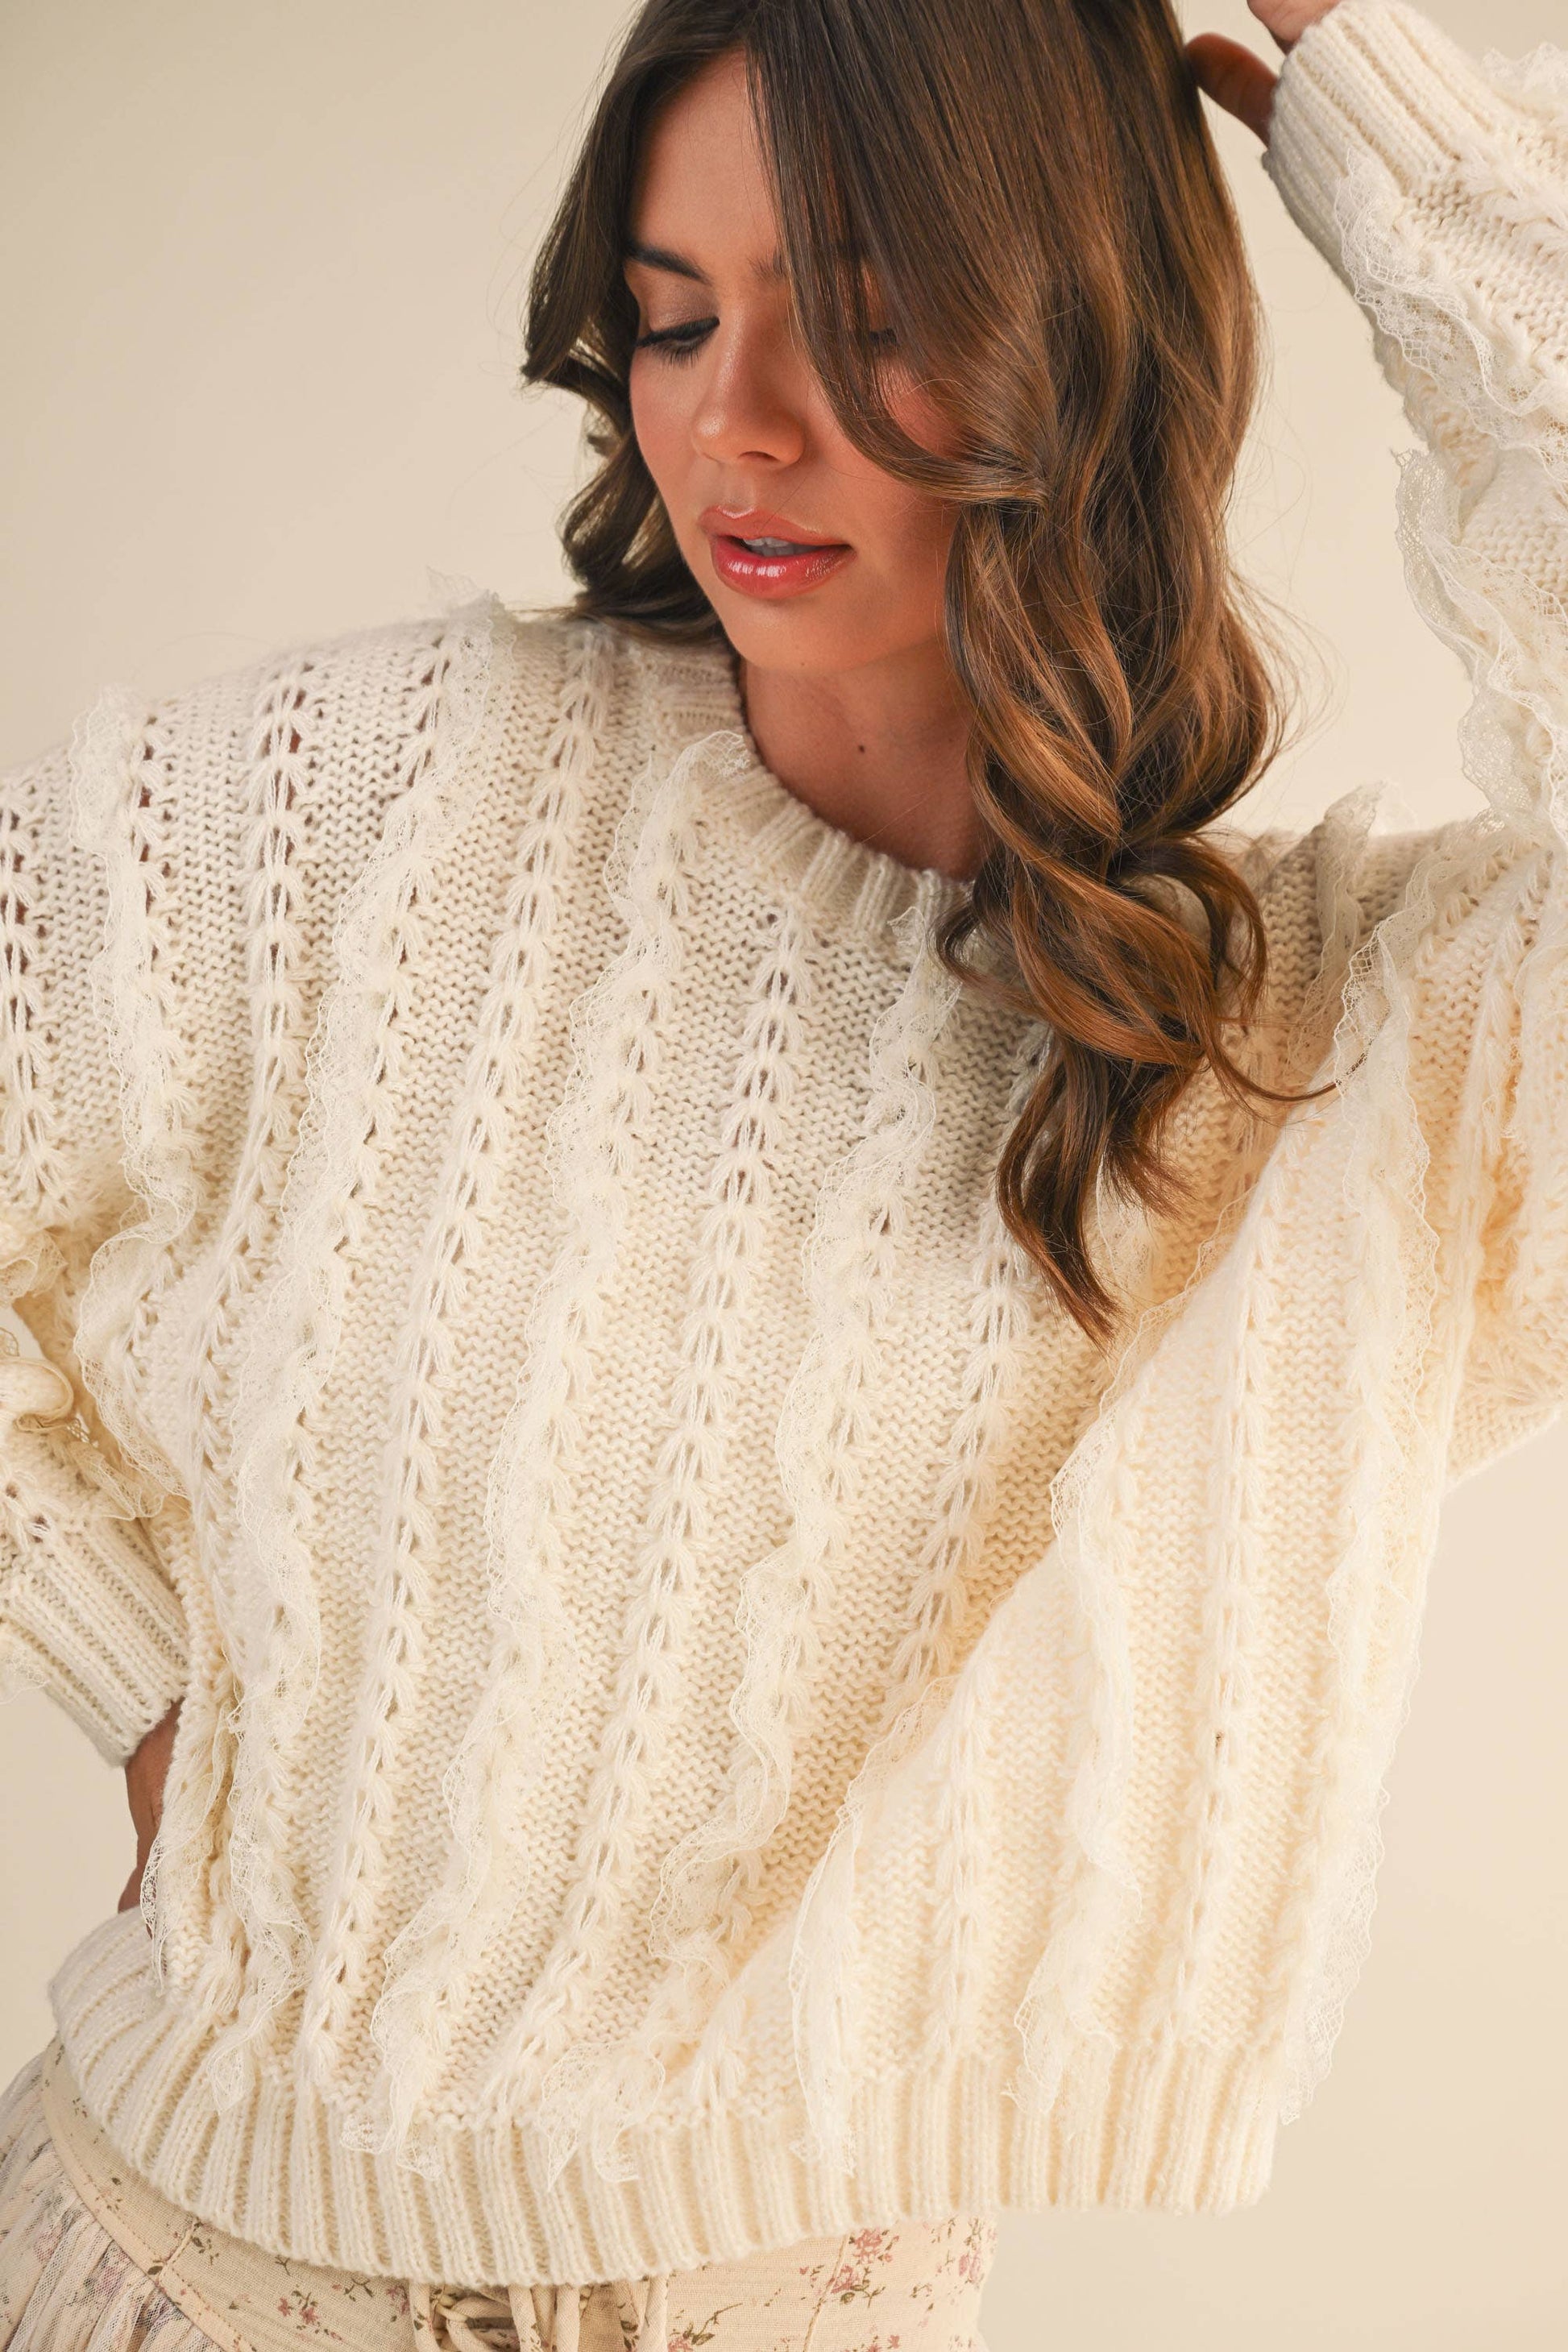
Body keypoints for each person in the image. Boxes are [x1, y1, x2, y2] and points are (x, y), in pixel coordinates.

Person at [1, 0, 1563, 2345]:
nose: (734, 419)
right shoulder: (369, 797)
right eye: (668, 317)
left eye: (872, 316)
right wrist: (130, 1667)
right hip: (145, 2266)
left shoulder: (1339, 1038)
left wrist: (1413, 152)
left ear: (1087, 339)